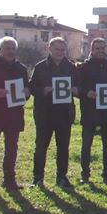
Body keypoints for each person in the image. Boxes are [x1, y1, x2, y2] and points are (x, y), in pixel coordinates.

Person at [0, 36, 30, 193]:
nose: (10, 51)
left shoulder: (21, 69)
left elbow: (26, 90)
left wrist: (27, 93)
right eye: (6, 48)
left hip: (14, 115)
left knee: (11, 149)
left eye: (12, 48)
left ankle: (9, 180)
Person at [29, 37, 77, 189]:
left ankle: (62, 177)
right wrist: (44, 90)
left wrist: (76, 90)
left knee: (63, 147)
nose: (60, 52)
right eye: (57, 49)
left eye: (63, 50)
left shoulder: (71, 67)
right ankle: (38, 178)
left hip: (64, 113)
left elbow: (79, 86)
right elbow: (32, 88)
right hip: (44, 113)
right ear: (49, 48)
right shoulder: (40, 67)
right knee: (41, 147)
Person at [76, 37, 107, 183]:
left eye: (103, 48)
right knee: (86, 144)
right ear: (92, 50)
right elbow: (77, 89)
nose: (100, 51)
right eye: (97, 48)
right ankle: (85, 175)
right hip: (90, 111)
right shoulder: (83, 67)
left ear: (106, 49)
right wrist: (87, 93)